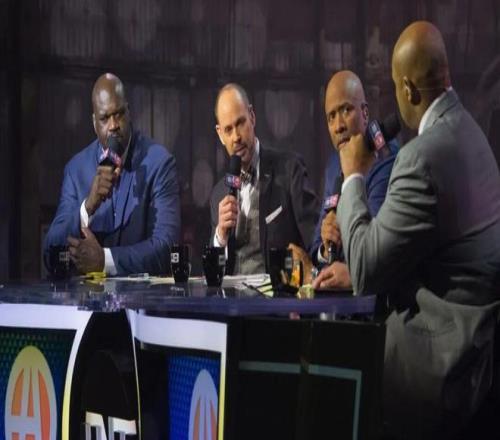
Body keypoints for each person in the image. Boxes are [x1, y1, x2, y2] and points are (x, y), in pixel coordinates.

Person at [316, 21, 500, 439]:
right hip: (479, 352)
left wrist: (353, 176)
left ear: (408, 90)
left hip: (441, 363)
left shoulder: (419, 158)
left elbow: (366, 271)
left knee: (330, 376)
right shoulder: (472, 134)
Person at [44, 73, 181, 276]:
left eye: (119, 114)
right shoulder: (76, 170)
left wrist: (105, 260)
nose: (114, 125)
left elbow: (167, 248)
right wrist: (88, 207)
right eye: (104, 118)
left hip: (142, 296)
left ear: (129, 112)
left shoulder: (159, 164)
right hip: (86, 296)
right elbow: (50, 252)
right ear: (94, 123)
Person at [290, 71, 398, 287]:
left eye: (346, 110)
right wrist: (324, 249)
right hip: (338, 295)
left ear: (365, 113)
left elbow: (372, 245)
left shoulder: (386, 158)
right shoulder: (333, 165)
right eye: (331, 117)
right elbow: (317, 246)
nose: (338, 125)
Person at [210, 83, 319, 274]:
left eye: (240, 123)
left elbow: (315, 240)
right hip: (230, 293)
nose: (236, 137)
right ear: (220, 134)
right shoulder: (219, 193)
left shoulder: (289, 170)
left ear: (252, 117)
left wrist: (321, 260)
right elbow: (213, 273)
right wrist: (220, 236)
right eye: (228, 130)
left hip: (277, 291)